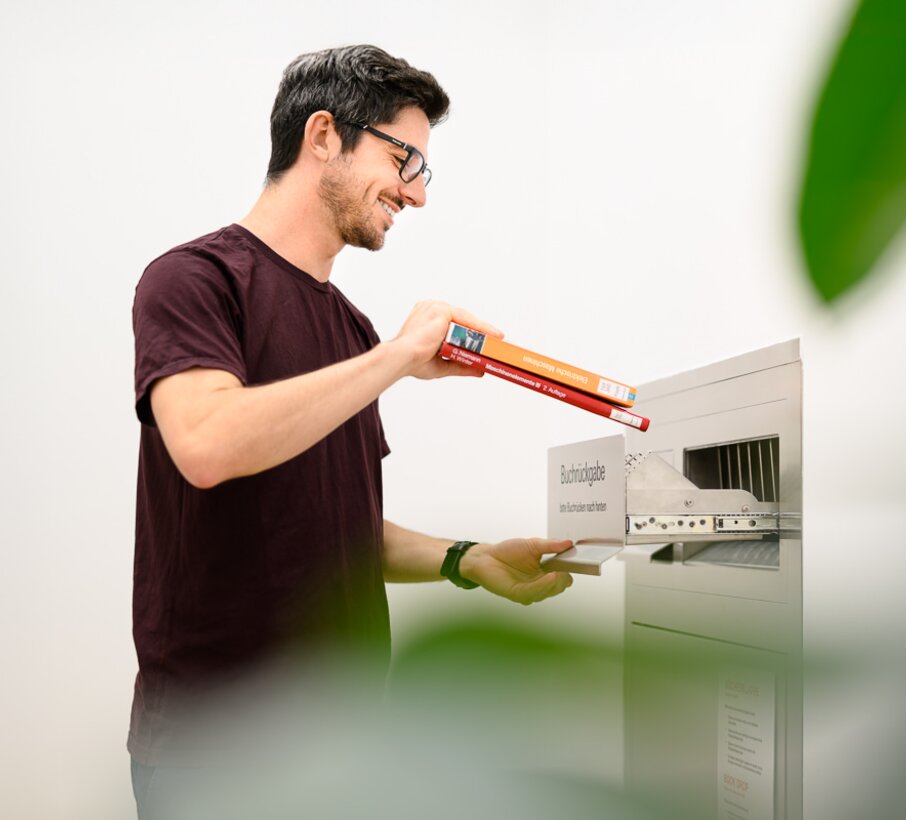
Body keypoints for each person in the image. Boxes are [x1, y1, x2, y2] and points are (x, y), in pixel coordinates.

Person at [128, 44, 574, 815]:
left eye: (422, 170)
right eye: (405, 159)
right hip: (219, 758)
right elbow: (206, 444)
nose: (417, 194)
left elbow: (333, 525)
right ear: (324, 135)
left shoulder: (351, 329)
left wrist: (468, 560)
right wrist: (398, 358)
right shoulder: (194, 279)